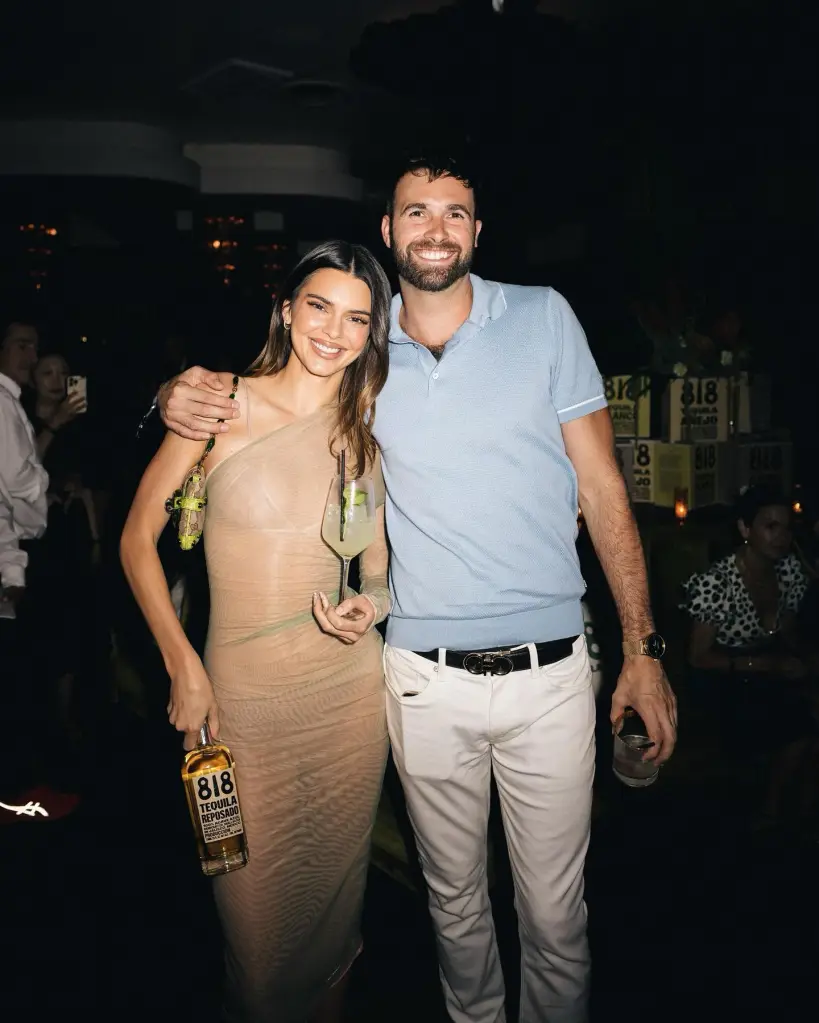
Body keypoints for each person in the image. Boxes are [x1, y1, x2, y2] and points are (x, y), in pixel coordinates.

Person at [156, 156, 677, 1023]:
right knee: (454, 909)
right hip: (418, 678)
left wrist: (642, 648)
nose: (436, 229)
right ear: (388, 231)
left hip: (549, 675)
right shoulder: (360, 347)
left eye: (456, 213)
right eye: (416, 213)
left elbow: (602, 491)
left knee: (554, 915)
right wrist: (170, 395)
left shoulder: (544, 319)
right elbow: (267, 402)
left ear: (477, 231)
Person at [120, 241, 393, 1023]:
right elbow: (137, 540)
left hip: (347, 707)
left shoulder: (364, 431)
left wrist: (365, 608)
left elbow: (377, 572)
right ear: (285, 308)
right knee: (256, 944)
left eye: (356, 319)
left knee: (337, 923)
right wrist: (181, 664)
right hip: (234, 710)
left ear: (370, 334)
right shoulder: (217, 405)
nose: (333, 332)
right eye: (318, 306)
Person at [681, 486, 818, 826]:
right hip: (725, 673)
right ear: (745, 529)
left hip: (767, 668)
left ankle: (802, 811)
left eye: (786, 527)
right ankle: (772, 812)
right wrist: (763, 665)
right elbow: (698, 657)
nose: (781, 536)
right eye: (770, 526)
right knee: (802, 728)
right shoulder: (717, 583)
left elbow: (786, 632)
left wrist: (804, 660)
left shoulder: (788, 572)